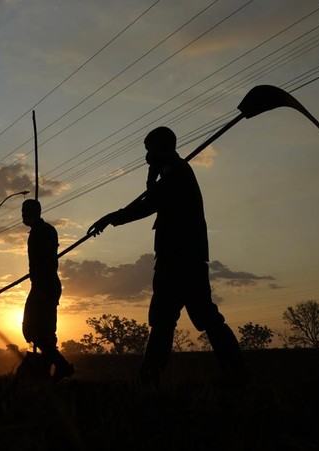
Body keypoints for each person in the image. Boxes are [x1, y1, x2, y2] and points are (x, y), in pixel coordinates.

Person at [88, 126, 247, 387]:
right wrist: (116, 214)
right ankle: (230, 374)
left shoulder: (177, 173)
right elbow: (152, 201)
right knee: (172, 320)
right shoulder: (171, 173)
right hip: (180, 258)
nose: (147, 157)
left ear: (162, 148)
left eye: (150, 151)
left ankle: (154, 378)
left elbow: (151, 204)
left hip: (179, 259)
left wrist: (115, 215)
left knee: (185, 320)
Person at [20, 199, 74, 383]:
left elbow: (47, 257)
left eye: (25, 211)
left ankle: (61, 365)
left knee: (34, 329)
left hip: (46, 285)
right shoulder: (37, 231)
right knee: (39, 330)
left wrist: (38, 270)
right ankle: (54, 366)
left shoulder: (44, 231)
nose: (22, 215)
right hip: (42, 284)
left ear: (33, 212)